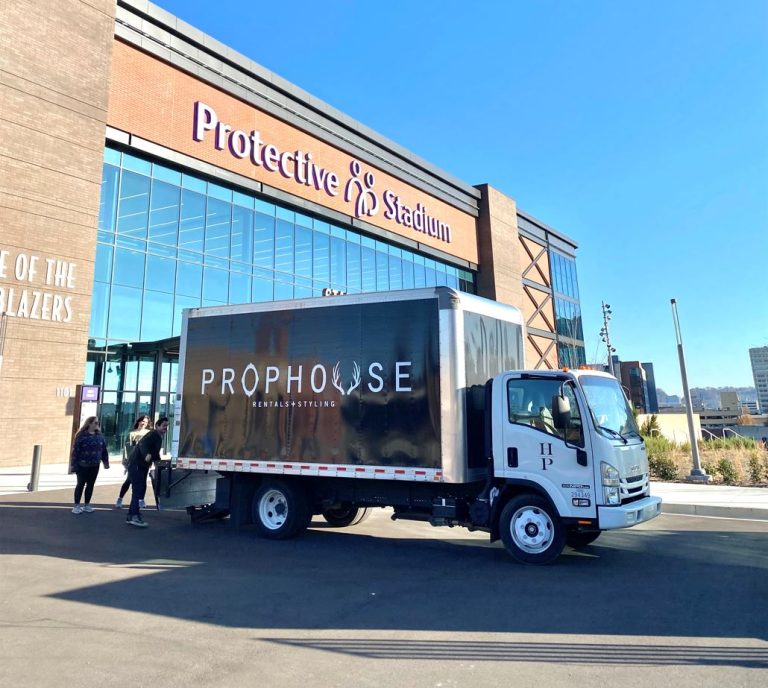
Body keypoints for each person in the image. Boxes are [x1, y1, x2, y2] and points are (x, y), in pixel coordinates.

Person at [125, 416, 169, 528]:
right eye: (163, 425)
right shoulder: (153, 434)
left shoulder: (158, 436)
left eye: (167, 426)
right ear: (157, 426)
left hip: (140, 466)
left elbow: (154, 452)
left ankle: (131, 515)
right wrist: (147, 455)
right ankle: (134, 516)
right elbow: (143, 445)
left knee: (139, 489)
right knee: (139, 489)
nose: (166, 428)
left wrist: (158, 462)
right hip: (137, 465)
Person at [70, 416, 110, 514]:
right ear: (89, 424)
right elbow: (75, 451)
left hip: (95, 465)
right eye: (95, 423)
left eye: (97, 423)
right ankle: (76, 505)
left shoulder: (99, 436)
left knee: (90, 485)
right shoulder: (81, 436)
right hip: (82, 465)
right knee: (80, 484)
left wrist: (106, 462)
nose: (97, 425)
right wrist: (73, 465)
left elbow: (104, 450)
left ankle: (87, 504)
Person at [115, 415, 151, 508]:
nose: (144, 423)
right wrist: (125, 461)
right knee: (129, 480)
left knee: (143, 481)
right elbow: (126, 449)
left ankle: (141, 500)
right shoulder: (132, 434)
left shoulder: (149, 434)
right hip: (133, 461)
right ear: (139, 422)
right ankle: (120, 498)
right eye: (142, 421)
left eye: (146, 422)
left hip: (144, 461)